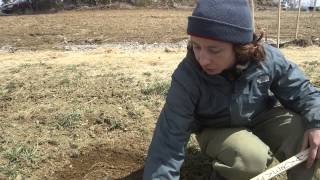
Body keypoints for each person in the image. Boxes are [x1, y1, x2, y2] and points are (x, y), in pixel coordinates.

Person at [143, 0, 320, 179]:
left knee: (306, 134)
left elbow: (303, 92)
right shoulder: (188, 75)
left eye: (214, 50)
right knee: (249, 159)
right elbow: (169, 138)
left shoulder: (267, 59)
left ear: (241, 47)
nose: (203, 59)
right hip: (214, 127)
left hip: (259, 117)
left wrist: (318, 123)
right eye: (196, 46)